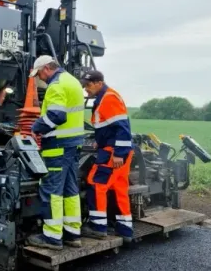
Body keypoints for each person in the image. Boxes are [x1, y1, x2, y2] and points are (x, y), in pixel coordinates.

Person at [26, 55, 86, 250]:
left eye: (39, 74)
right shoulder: (72, 81)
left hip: (57, 146)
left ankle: (52, 238)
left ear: (45, 68)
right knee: (70, 190)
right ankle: (72, 234)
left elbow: (56, 115)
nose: (40, 78)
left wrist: (36, 128)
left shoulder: (56, 85)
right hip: (73, 145)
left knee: (51, 190)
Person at [79, 70, 134, 242]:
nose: (86, 89)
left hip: (113, 153)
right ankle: (125, 230)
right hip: (115, 151)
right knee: (119, 189)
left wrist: (118, 154)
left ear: (98, 83)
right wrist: (99, 141)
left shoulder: (108, 98)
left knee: (96, 184)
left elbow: (122, 128)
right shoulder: (105, 97)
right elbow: (108, 126)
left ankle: (98, 227)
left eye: (88, 85)